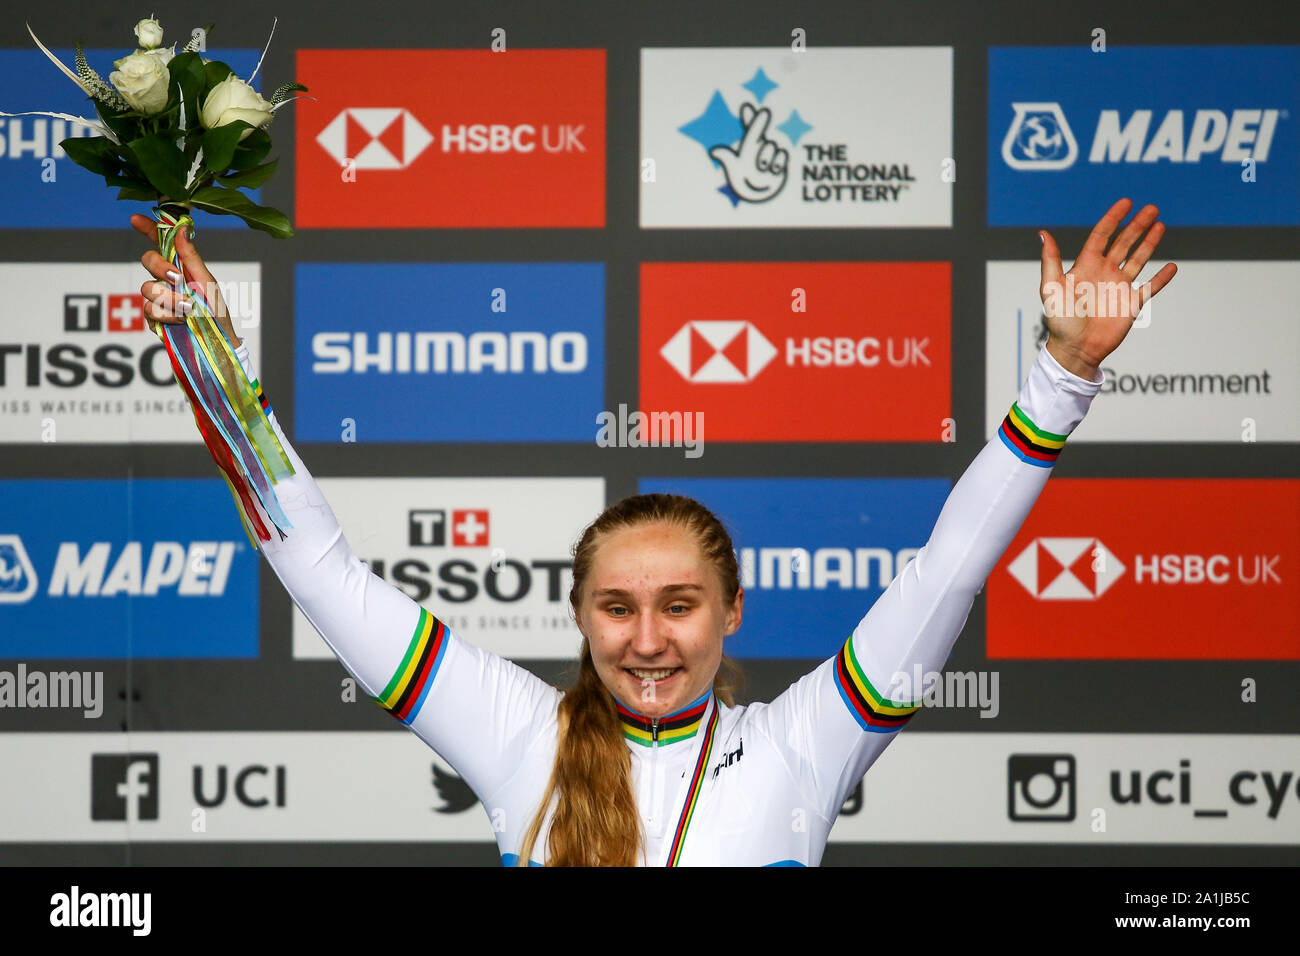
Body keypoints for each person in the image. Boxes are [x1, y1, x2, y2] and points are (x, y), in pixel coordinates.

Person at [131, 199, 1177, 866]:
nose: (646, 638)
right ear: (580, 614)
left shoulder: (805, 741)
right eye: (617, 606)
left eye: (678, 604)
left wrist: (1063, 375)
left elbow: (949, 572)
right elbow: (317, 567)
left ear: (731, 611)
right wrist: (210, 354)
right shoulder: (518, 737)